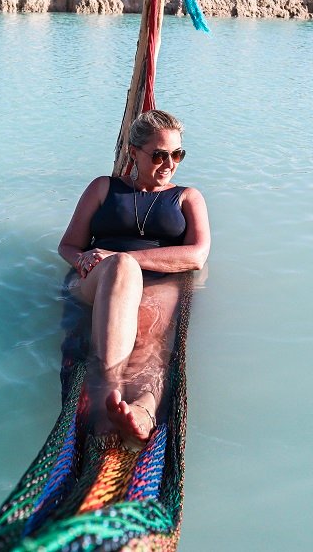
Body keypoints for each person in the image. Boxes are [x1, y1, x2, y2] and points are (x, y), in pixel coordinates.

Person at [58, 110, 210, 445]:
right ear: (133, 153)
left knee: (149, 346)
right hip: (97, 280)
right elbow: (68, 246)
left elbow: (197, 255)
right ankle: (107, 394)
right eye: (158, 155)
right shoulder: (104, 188)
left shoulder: (186, 197)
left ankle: (142, 408)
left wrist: (124, 257)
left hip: (157, 282)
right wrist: (86, 260)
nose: (168, 163)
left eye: (177, 154)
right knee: (121, 270)